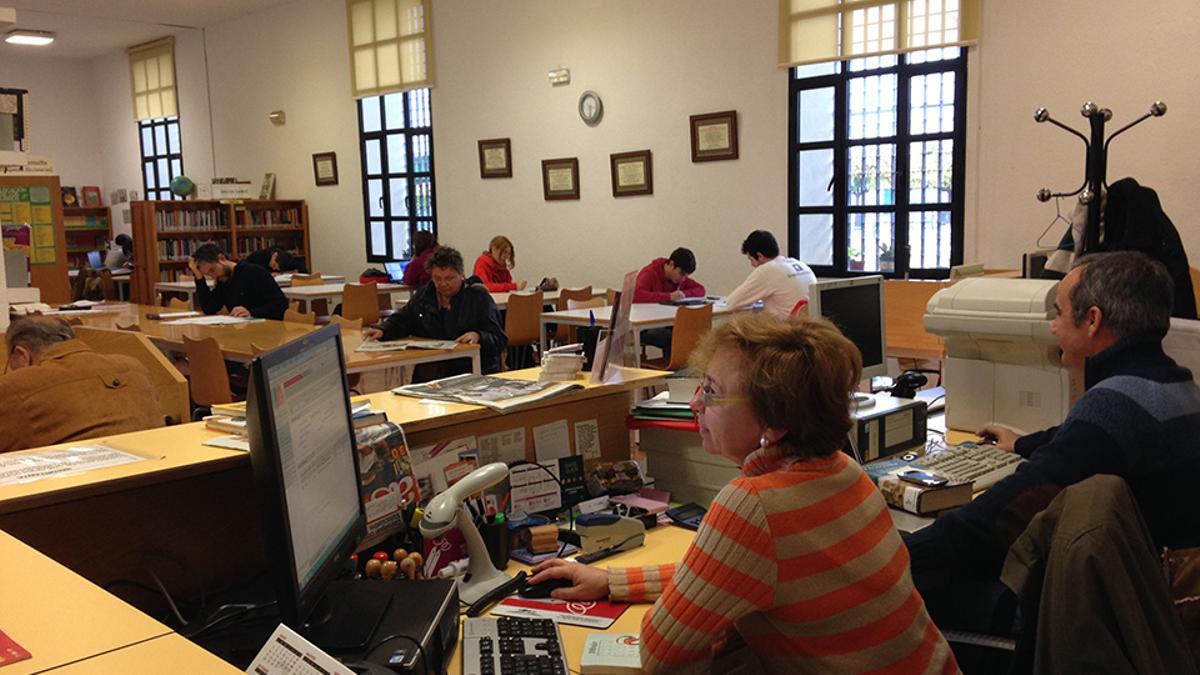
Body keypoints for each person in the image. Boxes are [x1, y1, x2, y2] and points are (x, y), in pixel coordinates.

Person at [530, 314, 958, 674]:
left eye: (713, 391)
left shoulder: (754, 506)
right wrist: (612, 580)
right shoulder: (845, 472)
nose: (696, 403)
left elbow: (660, 653)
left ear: (774, 422)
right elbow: (732, 571)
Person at [904, 251, 1200, 634]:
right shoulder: (1177, 387)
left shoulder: (1113, 408)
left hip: (1111, 614)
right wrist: (1024, 444)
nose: (1053, 328)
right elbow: (1085, 443)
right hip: (1159, 594)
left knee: (926, 585)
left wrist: (901, 554)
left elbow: (1007, 512)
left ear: (1092, 321)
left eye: (1058, 313)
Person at [0, 316, 164, 453]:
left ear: (21, 354)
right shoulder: (134, 367)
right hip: (159, 479)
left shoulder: (15, 387)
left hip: (76, 487)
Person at [364, 246, 507, 374]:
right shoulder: (423, 297)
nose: (443, 284)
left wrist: (478, 336)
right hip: (432, 371)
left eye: (449, 278)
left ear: (462, 275)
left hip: (472, 369)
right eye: (437, 279)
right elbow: (403, 320)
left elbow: (499, 339)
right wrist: (383, 330)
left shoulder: (478, 297)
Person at [633, 247, 706, 359]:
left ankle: (678, 369)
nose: (683, 279)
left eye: (686, 276)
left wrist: (685, 293)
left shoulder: (678, 278)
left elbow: (701, 289)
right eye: (681, 274)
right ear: (671, 264)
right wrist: (668, 296)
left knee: (688, 332)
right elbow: (637, 296)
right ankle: (672, 371)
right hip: (645, 326)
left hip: (665, 323)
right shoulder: (650, 273)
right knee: (674, 336)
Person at [724, 229, 817, 318]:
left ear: (760, 256)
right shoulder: (800, 265)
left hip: (785, 330)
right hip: (810, 329)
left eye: (751, 259)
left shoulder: (768, 270)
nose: (752, 264)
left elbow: (732, 303)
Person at [189, 243, 289, 320]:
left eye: (212, 270)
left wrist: (251, 312)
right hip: (241, 330)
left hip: (266, 329)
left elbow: (280, 304)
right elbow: (209, 308)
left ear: (222, 258)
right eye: (208, 274)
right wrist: (199, 277)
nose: (213, 276)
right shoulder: (223, 280)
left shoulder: (254, 271)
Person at [241, 245, 308, 274]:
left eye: (276, 268)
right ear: (274, 255)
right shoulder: (258, 256)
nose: (274, 268)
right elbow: (244, 268)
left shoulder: (286, 258)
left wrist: (283, 273)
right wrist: (268, 274)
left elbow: (303, 270)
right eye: (274, 265)